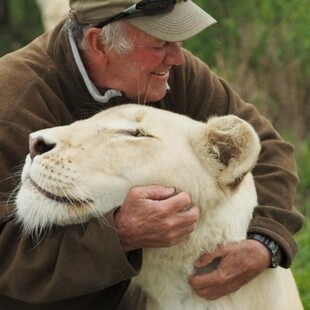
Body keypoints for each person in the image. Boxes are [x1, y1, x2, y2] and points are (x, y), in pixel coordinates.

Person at [0, 0, 304, 309]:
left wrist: (265, 240)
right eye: (160, 42)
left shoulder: (170, 72)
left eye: (177, 40)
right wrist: (122, 234)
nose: (177, 57)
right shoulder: (11, 103)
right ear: (98, 43)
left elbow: (265, 149)